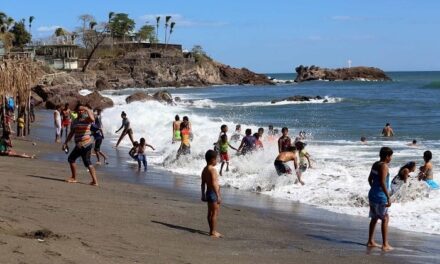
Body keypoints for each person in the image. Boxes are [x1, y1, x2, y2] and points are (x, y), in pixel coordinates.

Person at [63, 104, 98, 186]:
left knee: (71, 159)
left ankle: (74, 178)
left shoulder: (87, 119)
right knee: (87, 162)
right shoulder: (75, 121)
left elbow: (92, 118)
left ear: (84, 111)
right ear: (76, 111)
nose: (80, 111)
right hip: (81, 144)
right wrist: (66, 142)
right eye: (79, 110)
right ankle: (95, 181)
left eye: (82, 110)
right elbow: (72, 133)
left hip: (85, 144)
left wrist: (86, 108)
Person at [367, 147, 393, 251]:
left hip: (373, 194)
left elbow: (370, 179)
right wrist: (388, 196)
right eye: (390, 156)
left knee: (374, 218)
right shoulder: (384, 166)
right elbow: (383, 182)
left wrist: (374, 189)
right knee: (385, 218)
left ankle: (370, 241)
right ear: (387, 156)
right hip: (380, 196)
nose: (391, 158)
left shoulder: (375, 164)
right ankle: (385, 244)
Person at [201, 150, 222, 238]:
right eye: (216, 159)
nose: (217, 161)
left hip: (208, 192)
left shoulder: (205, 169)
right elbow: (214, 183)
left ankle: (211, 230)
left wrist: (203, 194)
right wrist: (218, 195)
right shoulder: (212, 169)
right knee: (215, 213)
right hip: (213, 193)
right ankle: (212, 232)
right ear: (212, 160)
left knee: (210, 213)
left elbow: (203, 183)